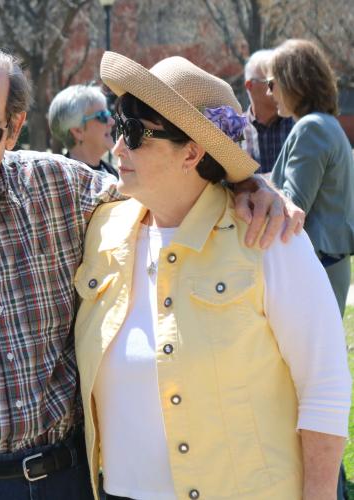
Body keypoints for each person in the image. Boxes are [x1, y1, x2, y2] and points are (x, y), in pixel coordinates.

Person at [0, 42, 300, 500]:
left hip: (70, 478)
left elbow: (171, 183)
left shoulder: (59, 186)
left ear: (14, 128)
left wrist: (246, 183)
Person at [74, 51, 351, 500]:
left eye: (133, 132)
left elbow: (325, 387)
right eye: (116, 125)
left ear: (193, 152)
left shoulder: (269, 237)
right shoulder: (100, 227)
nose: (117, 147)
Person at [268, 39, 354, 317]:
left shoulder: (311, 128)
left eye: (272, 83)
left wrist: (244, 183)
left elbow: (292, 205)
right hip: (326, 264)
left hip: (316, 268)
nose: (270, 93)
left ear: (292, 81)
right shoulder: (326, 124)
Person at [48, 84, 118, 178]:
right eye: (102, 116)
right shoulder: (61, 182)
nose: (112, 121)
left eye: (109, 113)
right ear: (78, 131)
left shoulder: (113, 174)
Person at [242, 49, 293, 174]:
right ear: (249, 86)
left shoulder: (299, 125)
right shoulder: (235, 133)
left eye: (283, 80)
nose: (282, 87)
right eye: (271, 82)